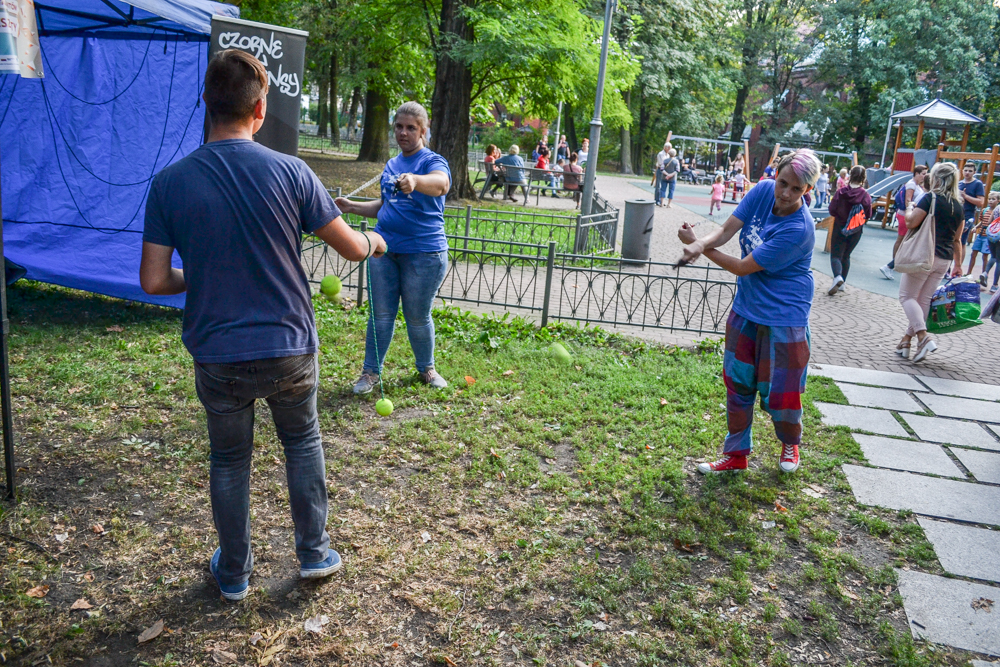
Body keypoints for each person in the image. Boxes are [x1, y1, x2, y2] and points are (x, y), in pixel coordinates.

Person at [140, 49, 387, 601]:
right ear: (260, 110)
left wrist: (202, 271)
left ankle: (233, 573)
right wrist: (376, 239)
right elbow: (350, 249)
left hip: (217, 353)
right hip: (289, 348)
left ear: (207, 103)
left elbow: (154, 281)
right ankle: (315, 554)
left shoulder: (169, 184)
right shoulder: (293, 172)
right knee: (301, 442)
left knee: (229, 459)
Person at [678, 149, 821, 475]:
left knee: (781, 394)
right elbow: (727, 230)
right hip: (747, 310)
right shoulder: (760, 192)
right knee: (738, 384)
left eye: (795, 189)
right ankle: (737, 455)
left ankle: (790, 443)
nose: (785, 194)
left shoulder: (800, 229)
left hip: (785, 318)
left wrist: (701, 246)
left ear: (807, 191)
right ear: (776, 174)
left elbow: (743, 267)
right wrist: (700, 244)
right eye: (782, 183)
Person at [336, 101, 452, 394]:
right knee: (380, 315)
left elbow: (441, 184)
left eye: (411, 128)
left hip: (424, 253)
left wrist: (415, 180)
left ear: (423, 130)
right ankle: (370, 373)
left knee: (417, 316)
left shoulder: (431, 161)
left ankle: (427, 369)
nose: (403, 132)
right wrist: (352, 207)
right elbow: (387, 207)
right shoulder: (392, 164)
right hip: (383, 250)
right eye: (399, 126)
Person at [894, 162, 965, 362]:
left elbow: (910, 222)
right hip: (945, 259)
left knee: (906, 297)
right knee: (923, 300)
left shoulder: (930, 198)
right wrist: (958, 265)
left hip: (924, 256)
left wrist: (909, 208)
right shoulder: (959, 206)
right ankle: (906, 341)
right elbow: (957, 239)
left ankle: (923, 338)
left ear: (936, 178)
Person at [827, 165, 872, 295]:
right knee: (846, 255)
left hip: (840, 227)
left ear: (850, 176)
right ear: (863, 178)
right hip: (855, 229)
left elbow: (832, 209)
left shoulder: (841, 192)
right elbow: (868, 214)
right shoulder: (865, 195)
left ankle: (837, 277)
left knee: (836, 255)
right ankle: (843, 283)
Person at [879, 165, 927, 280]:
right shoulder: (911, 184)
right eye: (923, 174)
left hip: (906, 214)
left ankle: (895, 262)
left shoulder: (917, 185)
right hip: (905, 214)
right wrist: (911, 212)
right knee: (903, 240)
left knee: (903, 240)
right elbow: (908, 200)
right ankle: (894, 262)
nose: (924, 176)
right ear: (916, 173)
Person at [958, 163, 986, 264]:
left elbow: (980, 202)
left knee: (962, 241)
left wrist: (965, 196)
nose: (967, 173)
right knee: (954, 240)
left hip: (968, 215)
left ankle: (959, 266)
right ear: (962, 171)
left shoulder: (977, 184)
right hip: (956, 213)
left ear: (974, 172)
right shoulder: (959, 183)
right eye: (966, 170)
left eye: (970, 171)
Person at [967, 191, 996, 281]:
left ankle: (984, 275)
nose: (990, 201)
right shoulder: (984, 210)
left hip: (988, 237)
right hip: (980, 235)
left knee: (985, 256)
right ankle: (968, 273)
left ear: (998, 201)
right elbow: (982, 221)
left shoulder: (996, 212)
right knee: (973, 253)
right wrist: (976, 227)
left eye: (993, 199)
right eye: (989, 199)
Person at [653, 142, 669, 206]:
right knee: (658, 185)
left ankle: (661, 200)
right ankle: (657, 200)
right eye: (668, 148)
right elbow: (661, 163)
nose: (669, 149)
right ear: (665, 148)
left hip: (665, 170)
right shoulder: (661, 154)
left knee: (663, 186)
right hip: (660, 170)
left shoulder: (668, 155)